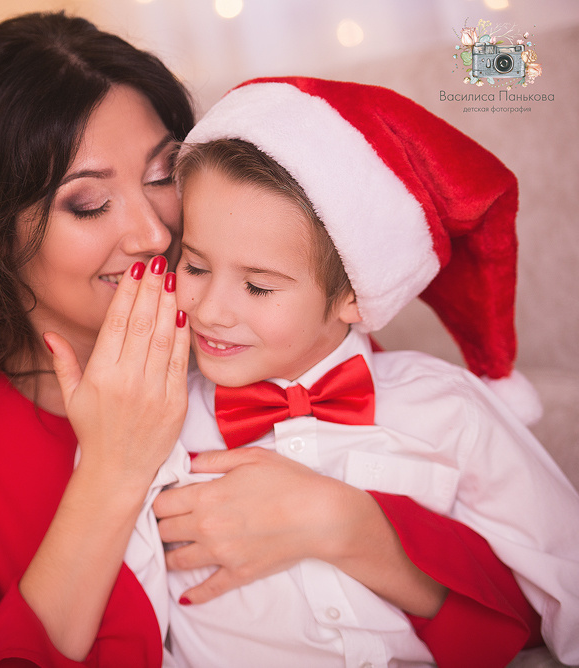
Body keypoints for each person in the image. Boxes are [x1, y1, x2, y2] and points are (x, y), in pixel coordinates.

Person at [0, 14, 541, 667]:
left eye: (164, 176)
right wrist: (113, 472)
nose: (154, 234)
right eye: (89, 203)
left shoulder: (250, 327)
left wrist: (351, 529)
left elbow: (524, 613)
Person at [126, 76, 579, 667]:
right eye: (195, 265)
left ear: (357, 298)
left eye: (258, 285)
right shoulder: (158, 424)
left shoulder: (447, 410)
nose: (210, 310)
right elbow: (133, 628)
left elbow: (562, 580)